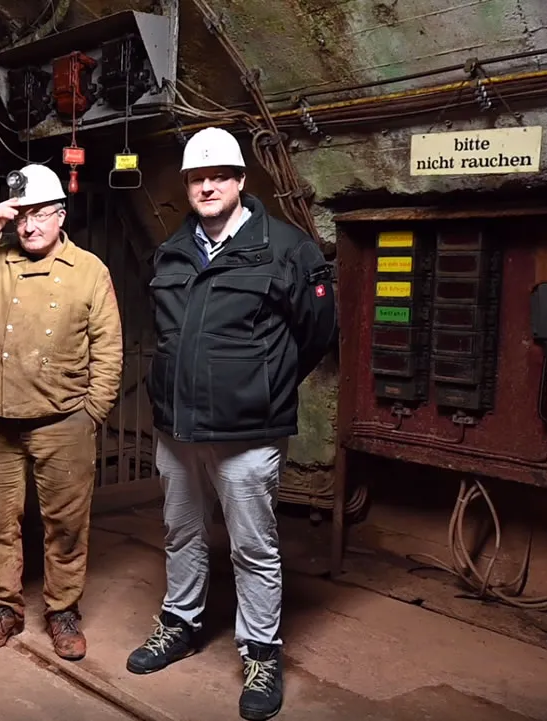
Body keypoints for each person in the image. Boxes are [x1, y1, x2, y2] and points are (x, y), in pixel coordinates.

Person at [127, 127, 336, 721]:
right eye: (197, 178)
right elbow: (170, 335)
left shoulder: (287, 249)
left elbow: (318, 331)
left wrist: (264, 384)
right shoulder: (171, 252)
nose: (208, 185)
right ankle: (181, 624)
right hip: (177, 430)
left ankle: (261, 651)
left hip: (247, 434)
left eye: (219, 175)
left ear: (242, 181)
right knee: (182, 534)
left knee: (253, 546)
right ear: (188, 186)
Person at [0, 163, 123, 661]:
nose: (30, 226)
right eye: (21, 215)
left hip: (63, 421)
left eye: (40, 214)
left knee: (66, 525)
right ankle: (5, 608)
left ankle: (63, 612)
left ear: (60, 215)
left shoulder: (89, 270)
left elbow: (109, 349)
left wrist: (92, 413)